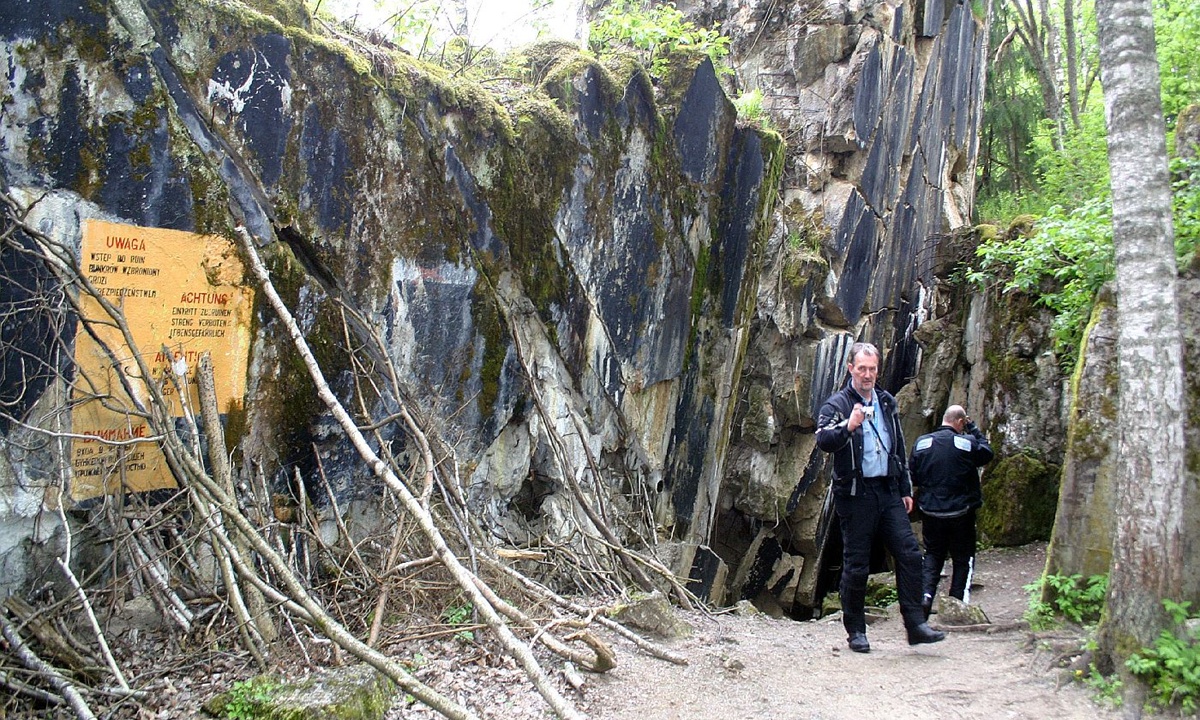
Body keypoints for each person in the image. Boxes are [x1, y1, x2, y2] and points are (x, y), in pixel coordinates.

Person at [815, 342, 945, 653]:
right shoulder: (837, 404)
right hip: (856, 494)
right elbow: (823, 440)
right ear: (851, 369)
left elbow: (898, 445)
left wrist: (905, 488)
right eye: (862, 369)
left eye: (872, 369)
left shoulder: (886, 401)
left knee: (911, 554)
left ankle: (915, 624)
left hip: (887, 490)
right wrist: (850, 425)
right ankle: (856, 631)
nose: (868, 375)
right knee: (856, 564)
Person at [910, 404, 994, 618]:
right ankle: (957, 604)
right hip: (961, 512)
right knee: (963, 557)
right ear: (960, 422)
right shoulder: (967, 443)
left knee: (932, 555)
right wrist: (973, 428)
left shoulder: (922, 443)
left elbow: (915, 475)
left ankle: (925, 596)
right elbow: (987, 453)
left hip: (931, 512)